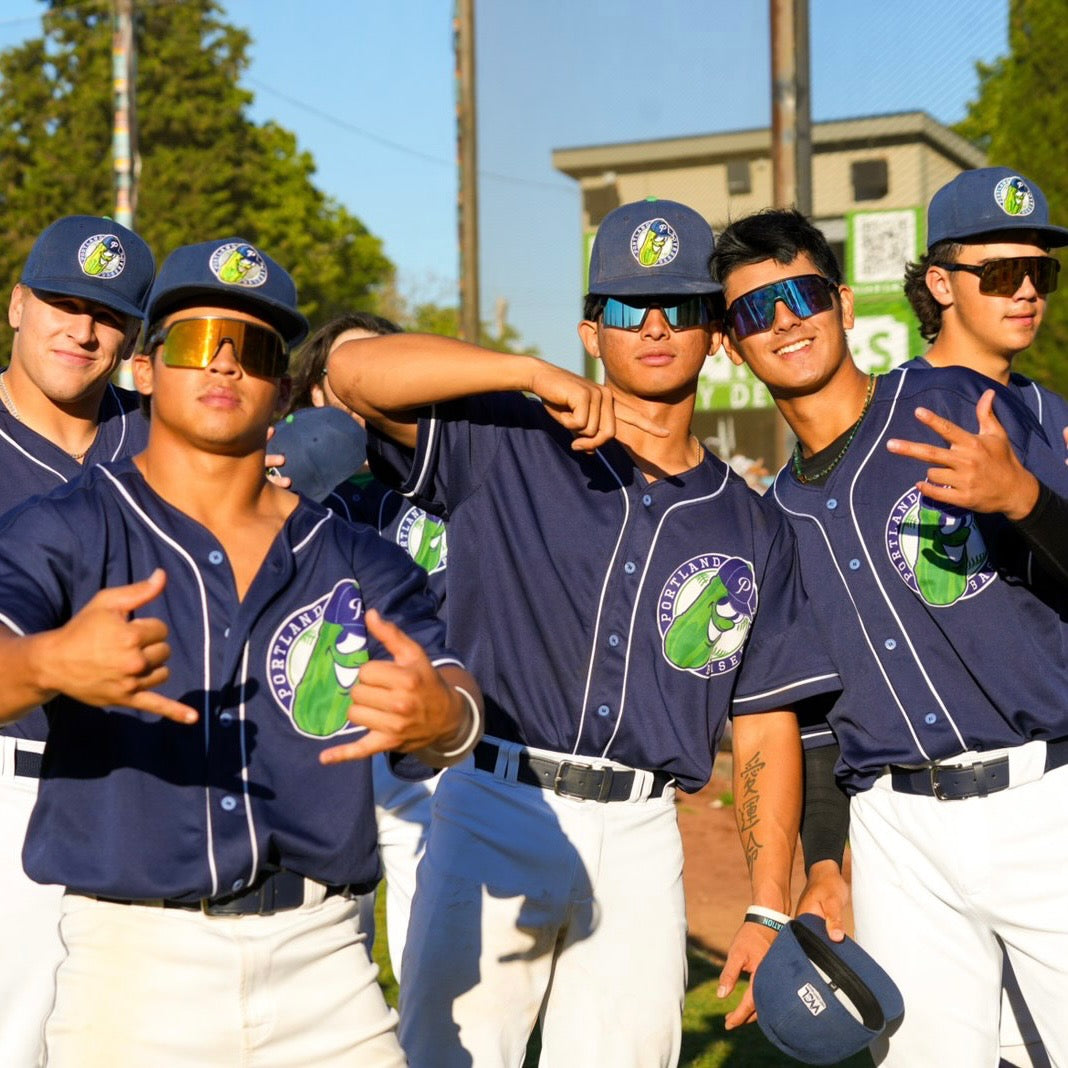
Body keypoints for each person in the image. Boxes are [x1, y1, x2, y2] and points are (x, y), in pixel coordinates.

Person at [327, 197, 841, 1067]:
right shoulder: (510, 439)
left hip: (643, 838)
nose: (652, 326)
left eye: (678, 307)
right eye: (625, 307)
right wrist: (526, 373)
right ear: (589, 330)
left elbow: (761, 725)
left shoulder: (752, 526)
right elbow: (353, 375)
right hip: (498, 797)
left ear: (716, 336)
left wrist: (765, 903)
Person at [0, 237, 482, 1067]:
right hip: (134, 968)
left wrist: (445, 718)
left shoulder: (354, 555)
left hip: (326, 964)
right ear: (146, 371)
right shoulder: (68, 527)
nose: (223, 365)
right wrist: (46, 665)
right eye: (194, 342)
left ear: (283, 390)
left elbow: (452, 692)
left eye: (253, 349)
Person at [711, 207, 1068, 1066]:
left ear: (840, 302)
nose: (785, 319)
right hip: (894, 834)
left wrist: (1024, 499)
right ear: (731, 345)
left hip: (1042, 800)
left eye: (801, 294)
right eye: (755, 311)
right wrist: (827, 860)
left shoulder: (953, 401)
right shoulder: (767, 521)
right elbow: (815, 714)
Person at [0, 214, 155, 1067]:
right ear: (17, 304)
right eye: (61, 301)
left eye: (106, 313)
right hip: (10, 782)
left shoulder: (168, 438)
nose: (82, 328)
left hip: (145, 789)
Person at [280, 311, 446, 980]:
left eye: (380, 368)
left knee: (433, 953)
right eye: (344, 373)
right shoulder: (280, 479)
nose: (363, 385)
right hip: (319, 725)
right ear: (314, 389)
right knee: (322, 950)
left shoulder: (445, 478)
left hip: (422, 732)